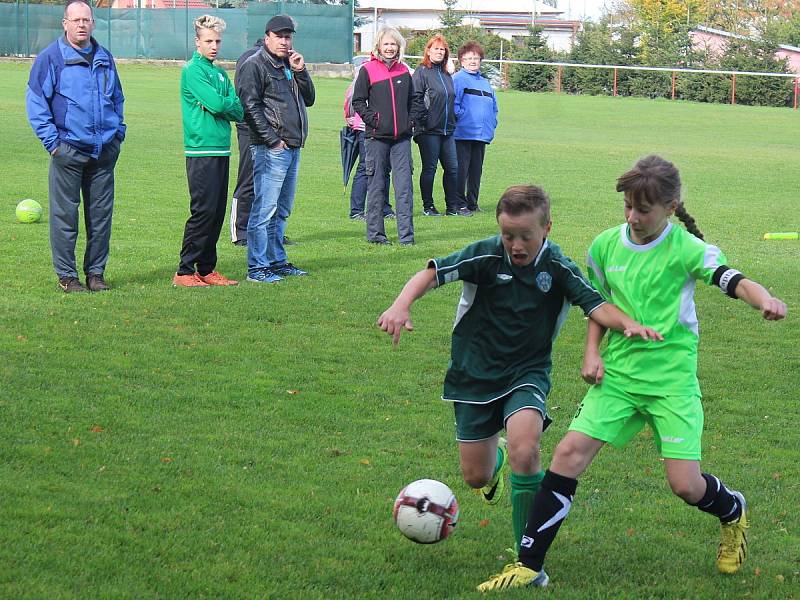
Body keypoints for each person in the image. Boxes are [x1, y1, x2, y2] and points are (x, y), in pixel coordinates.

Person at [478, 156, 788, 592]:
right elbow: (596, 305)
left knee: (685, 485)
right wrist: (592, 354)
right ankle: (529, 564)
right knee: (568, 455)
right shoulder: (604, 247)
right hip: (619, 377)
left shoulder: (688, 249)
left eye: (643, 209)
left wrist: (765, 299)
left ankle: (732, 510)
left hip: (671, 382)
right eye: (627, 206)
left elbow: (732, 279)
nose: (633, 217)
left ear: (670, 206)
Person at [378, 185, 661, 573]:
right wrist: (400, 304)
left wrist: (627, 324)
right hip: (473, 375)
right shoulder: (485, 254)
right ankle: (493, 462)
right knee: (475, 476)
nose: (515, 244)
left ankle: (527, 562)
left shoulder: (557, 267)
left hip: (527, 372)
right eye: (508, 234)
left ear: (546, 228)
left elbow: (596, 306)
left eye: (525, 235)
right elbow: (432, 273)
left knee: (526, 451)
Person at [25, 0, 125, 293]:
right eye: (76, 20)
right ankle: (67, 277)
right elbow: (36, 103)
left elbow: (117, 98)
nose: (82, 24)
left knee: (100, 219)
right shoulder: (51, 57)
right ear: (65, 24)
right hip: (67, 150)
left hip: (104, 152)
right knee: (64, 219)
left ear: (93, 23)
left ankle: (96, 274)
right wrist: (53, 144)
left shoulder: (105, 57)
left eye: (86, 20)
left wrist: (118, 133)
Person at [237, 14, 315, 283]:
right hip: (272, 148)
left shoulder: (288, 64)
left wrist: (301, 71)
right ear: (267, 36)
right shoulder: (254, 65)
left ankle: (276, 261)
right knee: (264, 210)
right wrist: (272, 140)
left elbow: (310, 99)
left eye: (288, 36)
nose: (285, 41)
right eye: (280, 36)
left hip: (292, 146)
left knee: (281, 210)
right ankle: (257, 267)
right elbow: (250, 107)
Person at [173, 15, 243, 287]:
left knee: (216, 212)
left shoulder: (220, 73)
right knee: (202, 211)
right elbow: (217, 104)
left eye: (217, 41)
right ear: (197, 42)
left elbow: (238, 109)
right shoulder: (192, 70)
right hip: (200, 150)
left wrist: (223, 103)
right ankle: (183, 271)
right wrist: (223, 103)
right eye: (208, 41)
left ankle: (206, 268)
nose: (214, 46)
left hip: (222, 149)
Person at [229, 40, 296, 248]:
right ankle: (240, 231)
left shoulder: (283, 62)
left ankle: (271, 231)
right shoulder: (251, 60)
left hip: (276, 131)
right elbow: (248, 100)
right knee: (248, 177)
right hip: (250, 127)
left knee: (273, 184)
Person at [352, 26, 415, 246]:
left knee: (404, 187)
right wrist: (375, 120)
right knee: (377, 186)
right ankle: (377, 235)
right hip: (376, 138)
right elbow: (358, 101)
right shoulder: (367, 69)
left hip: (402, 139)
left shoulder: (404, 71)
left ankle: (406, 236)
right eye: (386, 44)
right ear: (379, 46)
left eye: (393, 44)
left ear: (399, 47)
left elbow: (414, 101)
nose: (390, 48)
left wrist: (411, 122)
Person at [412, 35, 470, 217]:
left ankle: (451, 207)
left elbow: (450, 100)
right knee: (430, 168)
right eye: (435, 48)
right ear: (428, 51)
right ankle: (428, 206)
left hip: (448, 130)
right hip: (428, 130)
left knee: (453, 168)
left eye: (442, 49)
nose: (439, 51)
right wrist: (424, 121)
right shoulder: (421, 72)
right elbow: (415, 98)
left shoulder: (446, 75)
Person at [344, 65, 394, 221]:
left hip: (386, 129)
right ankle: (357, 210)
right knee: (366, 167)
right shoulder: (367, 71)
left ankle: (384, 208)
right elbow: (352, 102)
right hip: (365, 129)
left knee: (384, 168)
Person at [453, 41, 498, 213]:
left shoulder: (486, 83)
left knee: (476, 171)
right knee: (461, 170)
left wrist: (492, 124)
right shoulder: (458, 79)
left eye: (476, 58)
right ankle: (459, 203)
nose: (473, 61)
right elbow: (453, 104)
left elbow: (494, 107)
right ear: (462, 61)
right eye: (469, 58)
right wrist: (461, 116)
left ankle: (473, 202)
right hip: (463, 133)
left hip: (481, 135)